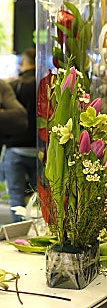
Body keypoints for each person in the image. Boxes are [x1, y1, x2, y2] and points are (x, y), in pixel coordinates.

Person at [3, 48, 36, 222]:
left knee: (16, 199)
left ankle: (19, 237)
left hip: (15, 149)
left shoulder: (14, 86)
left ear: (22, 63)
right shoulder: (44, 85)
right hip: (39, 150)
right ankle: (38, 235)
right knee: (41, 199)